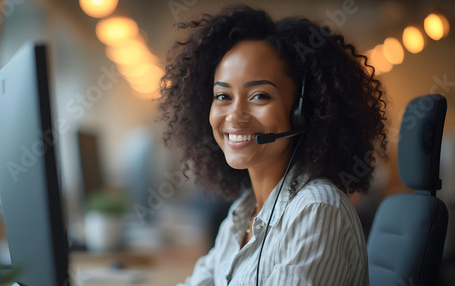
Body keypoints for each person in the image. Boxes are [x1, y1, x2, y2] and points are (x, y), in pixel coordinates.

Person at [158, 4, 388, 286]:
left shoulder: (316, 211)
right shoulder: (242, 213)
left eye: (259, 96)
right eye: (223, 96)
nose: (235, 116)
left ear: (303, 111)